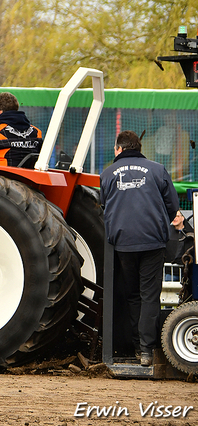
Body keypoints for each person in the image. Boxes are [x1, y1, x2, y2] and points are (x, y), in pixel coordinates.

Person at [100, 130, 180, 367]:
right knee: (149, 296)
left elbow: (103, 205)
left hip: (123, 244)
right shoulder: (157, 169)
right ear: (139, 147)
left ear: (119, 149)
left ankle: (136, 347)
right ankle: (147, 351)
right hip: (153, 242)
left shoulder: (106, 174)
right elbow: (173, 206)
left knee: (133, 295)